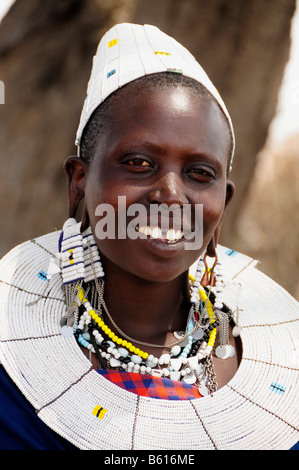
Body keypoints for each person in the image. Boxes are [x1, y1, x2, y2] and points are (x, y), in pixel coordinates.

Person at [0, 23, 298, 451]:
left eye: (200, 173)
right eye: (139, 163)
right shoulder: (9, 376)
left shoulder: (289, 385)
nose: (170, 196)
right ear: (80, 181)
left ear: (223, 203)